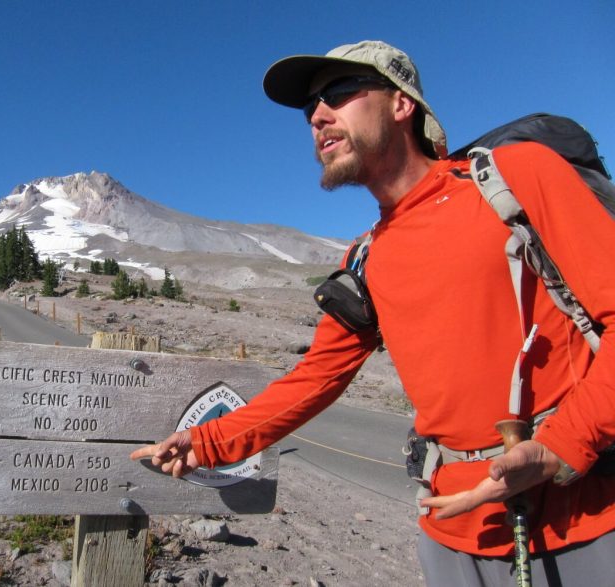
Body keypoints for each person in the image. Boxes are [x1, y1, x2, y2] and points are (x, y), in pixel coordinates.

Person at [131, 40, 615, 585]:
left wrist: (558, 448)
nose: (317, 115)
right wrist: (206, 442)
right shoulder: (365, 258)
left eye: (338, 93)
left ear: (402, 105)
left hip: (585, 525)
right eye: (311, 107)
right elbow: (316, 377)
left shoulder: (515, 178)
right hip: (450, 538)